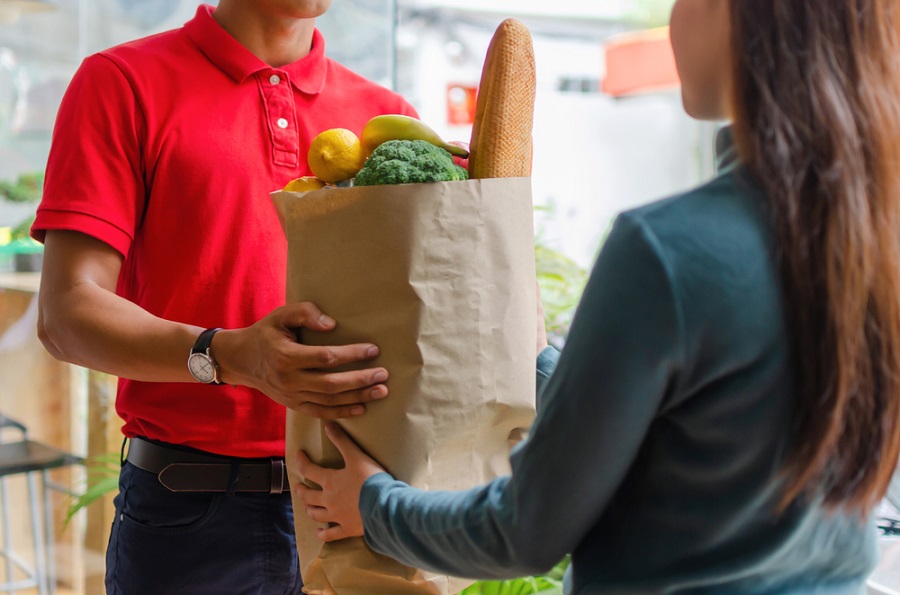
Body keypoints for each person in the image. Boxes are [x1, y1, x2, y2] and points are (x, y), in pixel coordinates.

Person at [295, 0, 900, 592]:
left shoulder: (667, 249)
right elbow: (701, 435)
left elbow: (524, 530)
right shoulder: (875, 241)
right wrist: (536, 361)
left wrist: (373, 506)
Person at [31, 1, 418, 592]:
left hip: (362, 513)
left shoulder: (387, 119)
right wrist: (232, 354)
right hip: (192, 522)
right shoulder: (122, 81)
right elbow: (67, 313)